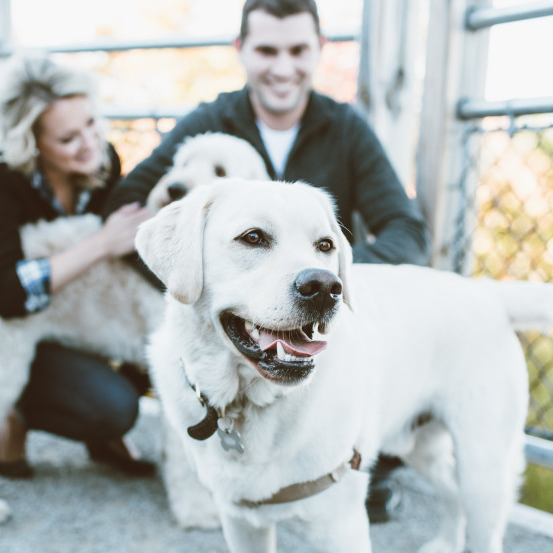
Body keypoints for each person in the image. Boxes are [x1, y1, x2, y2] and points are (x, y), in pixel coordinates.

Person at [106, 0, 431, 522]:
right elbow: (121, 210)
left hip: (318, 323)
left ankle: (352, 458)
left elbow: (407, 231)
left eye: (298, 49)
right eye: (267, 50)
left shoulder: (346, 129)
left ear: (319, 51)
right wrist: (197, 280)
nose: (283, 67)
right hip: (228, 319)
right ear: (241, 51)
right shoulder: (211, 121)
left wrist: (326, 280)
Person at [0, 53, 155, 480]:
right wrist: (100, 243)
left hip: (85, 319)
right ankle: (12, 411)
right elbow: (5, 295)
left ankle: (99, 426)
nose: (90, 144)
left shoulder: (104, 160)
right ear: (33, 143)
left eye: (91, 124)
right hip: (22, 331)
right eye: (68, 139)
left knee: (159, 330)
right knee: (114, 408)